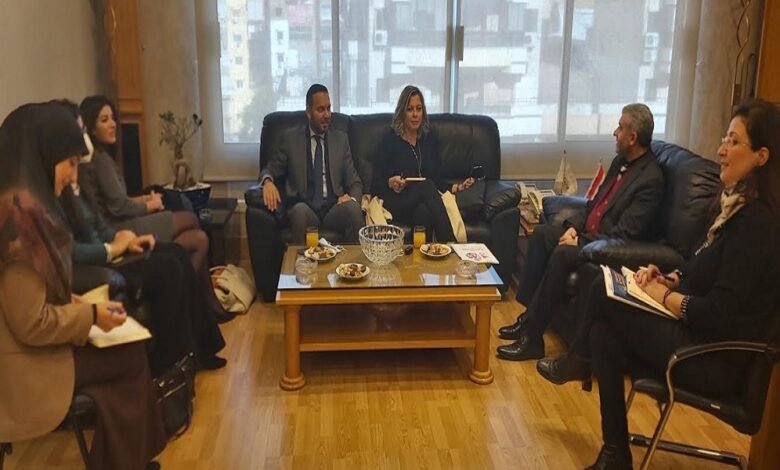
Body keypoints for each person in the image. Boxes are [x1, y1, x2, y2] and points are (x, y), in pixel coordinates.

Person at [537, 99, 780, 469]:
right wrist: (671, 277)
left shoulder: (757, 226)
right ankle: (615, 453)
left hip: (712, 357)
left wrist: (663, 295)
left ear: (762, 156)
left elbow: (718, 314)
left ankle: (578, 362)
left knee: (602, 289)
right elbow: (701, 266)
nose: (721, 150)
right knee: (603, 332)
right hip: (696, 335)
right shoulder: (732, 209)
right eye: (724, 139)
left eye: (733, 142)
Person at [0, 101, 166, 470]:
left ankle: (127, 460)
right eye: (71, 163)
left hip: (36, 347)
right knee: (130, 356)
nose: (73, 176)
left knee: (128, 353)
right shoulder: (17, 223)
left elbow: (39, 294)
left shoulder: (26, 206)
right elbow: (30, 324)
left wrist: (81, 305)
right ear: (44, 155)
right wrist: (89, 315)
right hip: (25, 364)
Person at [496, 103, 664, 362]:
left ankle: (532, 340)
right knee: (541, 234)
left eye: (620, 128)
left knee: (562, 253)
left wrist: (580, 241)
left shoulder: (650, 180)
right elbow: (593, 205)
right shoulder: (620, 162)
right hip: (587, 235)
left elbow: (625, 234)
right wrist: (573, 228)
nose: (614, 132)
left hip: (607, 248)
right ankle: (529, 317)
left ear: (633, 137)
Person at [79, 95, 231, 322]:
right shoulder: (99, 160)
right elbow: (118, 208)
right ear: (90, 128)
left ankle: (197, 301)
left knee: (199, 239)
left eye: (112, 118)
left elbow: (115, 200)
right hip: (120, 228)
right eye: (104, 120)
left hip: (122, 220)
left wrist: (142, 199)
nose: (112, 124)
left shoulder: (104, 157)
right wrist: (149, 205)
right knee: (190, 218)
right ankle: (197, 300)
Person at [259, 83, 364, 244]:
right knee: (299, 212)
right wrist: (267, 181)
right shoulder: (291, 139)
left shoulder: (340, 140)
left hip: (333, 208)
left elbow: (355, 182)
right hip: (305, 207)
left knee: (352, 209)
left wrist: (352, 199)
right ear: (308, 112)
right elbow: (270, 169)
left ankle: (352, 261)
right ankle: (301, 261)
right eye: (320, 110)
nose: (327, 115)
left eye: (328, 108)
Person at [371, 85, 474, 242]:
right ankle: (449, 244)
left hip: (421, 200)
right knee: (427, 186)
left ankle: (422, 255)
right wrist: (390, 182)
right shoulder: (390, 140)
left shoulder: (429, 139)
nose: (415, 115)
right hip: (394, 200)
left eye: (418, 109)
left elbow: (437, 178)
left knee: (423, 211)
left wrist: (458, 187)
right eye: (410, 109)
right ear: (402, 112)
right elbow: (375, 185)